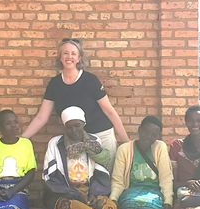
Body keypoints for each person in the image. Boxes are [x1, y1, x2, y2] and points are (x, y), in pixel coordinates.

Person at [22, 38, 130, 168]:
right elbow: (41, 117)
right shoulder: (55, 84)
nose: (69, 57)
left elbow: (109, 111)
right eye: (65, 53)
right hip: (75, 140)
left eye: (73, 54)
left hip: (101, 135)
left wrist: (126, 142)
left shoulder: (90, 80)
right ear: (60, 57)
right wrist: (22, 139)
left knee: (106, 178)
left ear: (79, 58)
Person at [110, 116, 173, 209]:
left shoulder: (160, 147)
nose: (149, 137)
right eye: (146, 132)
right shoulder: (124, 149)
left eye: (154, 135)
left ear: (158, 136)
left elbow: (166, 177)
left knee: (152, 206)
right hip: (130, 190)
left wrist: (168, 201)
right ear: (139, 130)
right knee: (132, 205)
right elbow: (118, 179)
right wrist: (113, 199)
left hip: (154, 191)